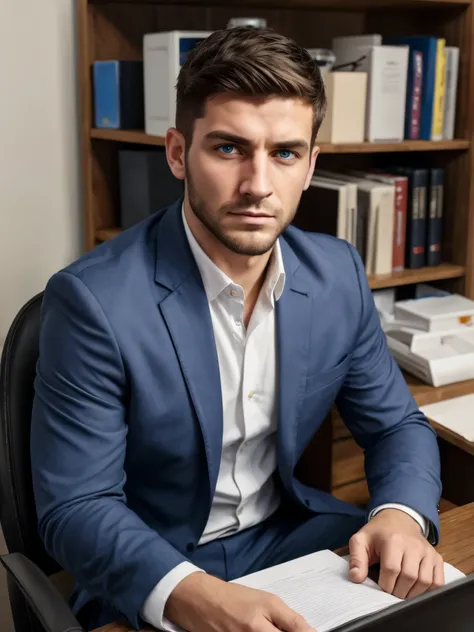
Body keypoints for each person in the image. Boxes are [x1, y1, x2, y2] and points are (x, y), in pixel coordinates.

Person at [30, 25, 444, 632]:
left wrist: (402, 516)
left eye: (284, 153)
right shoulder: (93, 302)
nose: (258, 185)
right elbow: (75, 507)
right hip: (158, 564)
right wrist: (197, 595)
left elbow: (396, 426)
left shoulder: (336, 274)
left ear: (310, 166)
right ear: (177, 153)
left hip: (290, 535)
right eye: (228, 148)